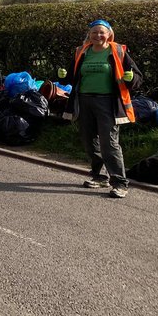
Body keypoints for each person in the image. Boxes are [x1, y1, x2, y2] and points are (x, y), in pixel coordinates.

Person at [61, 19, 142, 199]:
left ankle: (120, 183)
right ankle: (99, 177)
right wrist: (63, 76)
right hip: (84, 101)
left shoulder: (118, 51)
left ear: (109, 34)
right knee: (89, 142)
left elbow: (137, 77)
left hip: (108, 102)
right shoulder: (82, 52)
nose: (98, 35)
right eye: (94, 32)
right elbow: (72, 77)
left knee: (109, 143)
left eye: (102, 32)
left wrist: (131, 79)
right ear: (89, 35)